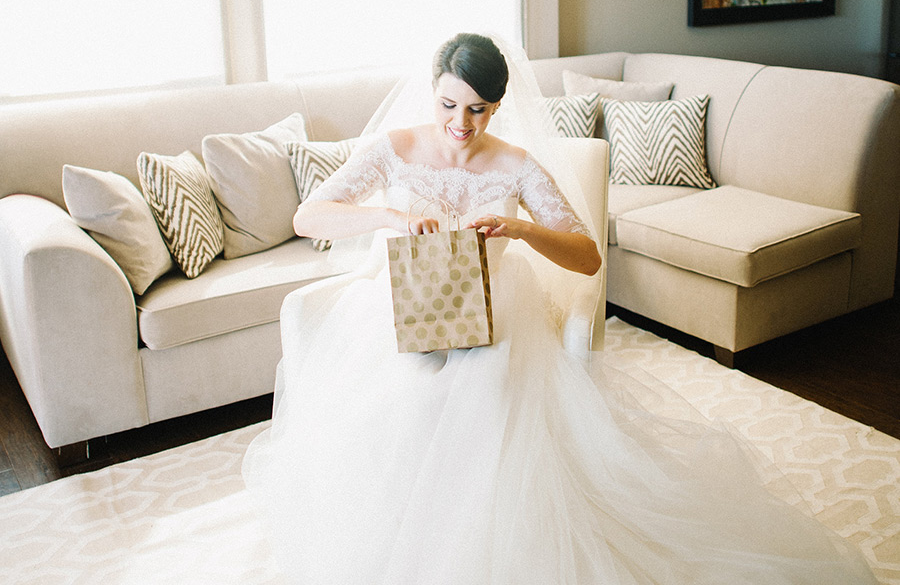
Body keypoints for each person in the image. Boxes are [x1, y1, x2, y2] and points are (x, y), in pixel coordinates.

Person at [242, 33, 877, 584]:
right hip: (404, 302)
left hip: (495, 312)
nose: (461, 123)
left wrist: (519, 232)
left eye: (477, 109)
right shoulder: (393, 147)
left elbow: (585, 256)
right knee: (400, 398)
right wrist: (393, 217)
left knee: (485, 401)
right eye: (448, 105)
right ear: (431, 91)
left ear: (496, 105)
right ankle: (402, 530)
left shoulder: (517, 165)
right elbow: (309, 214)